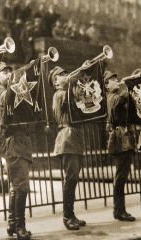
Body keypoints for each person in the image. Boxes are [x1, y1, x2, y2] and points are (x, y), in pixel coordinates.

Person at [0, 62, 32, 240]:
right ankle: (20, 227)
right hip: (15, 143)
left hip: (21, 142)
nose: (9, 74)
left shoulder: (14, 94)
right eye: (4, 73)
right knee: (22, 187)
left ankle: (12, 224)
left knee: (16, 187)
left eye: (10, 71)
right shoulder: (4, 96)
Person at [48, 66, 86, 230]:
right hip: (67, 137)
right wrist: (72, 83)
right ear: (55, 82)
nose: (65, 76)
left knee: (74, 179)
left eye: (65, 74)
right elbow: (68, 104)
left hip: (75, 138)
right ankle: (66, 216)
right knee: (70, 180)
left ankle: (71, 214)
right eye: (61, 75)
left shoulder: (69, 91)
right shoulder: (59, 94)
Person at [104, 70, 136, 222]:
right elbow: (120, 100)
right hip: (119, 139)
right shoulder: (111, 97)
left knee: (122, 176)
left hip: (125, 138)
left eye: (116, 78)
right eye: (112, 79)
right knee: (120, 177)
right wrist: (130, 85)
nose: (116, 81)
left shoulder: (117, 96)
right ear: (106, 85)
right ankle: (119, 210)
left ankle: (120, 210)